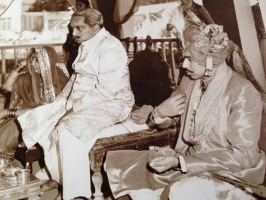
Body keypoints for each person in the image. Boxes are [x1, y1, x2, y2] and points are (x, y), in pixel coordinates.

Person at [105, 16, 266, 200]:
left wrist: (180, 161)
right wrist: (160, 114)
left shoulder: (242, 92)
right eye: (184, 58)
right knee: (124, 163)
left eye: (190, 59)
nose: (184, 65)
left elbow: (243, 155)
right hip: (186, 159)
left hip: (230, 172)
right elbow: (172, 117)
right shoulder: (190, 81)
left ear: (210, 60)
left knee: (182, 190)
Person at [17, 8, 134, 200]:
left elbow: (106, 91)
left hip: (113, 103)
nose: (74, 34)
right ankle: (57, 174)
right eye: (72, 29)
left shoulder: (110, 47)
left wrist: (72, 109)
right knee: (40, 118)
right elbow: (75, 79)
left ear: (96, 26)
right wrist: (59, 103)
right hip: (83, 100)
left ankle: (76, 195)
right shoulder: (86, 43)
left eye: (79, 28)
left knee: (67, 131)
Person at [0, 46, 69, 153]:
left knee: (9, 130)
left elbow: (44, 111)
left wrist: (8, 112)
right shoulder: (30, 78)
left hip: (45, 120)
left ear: (48, 62)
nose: (32, 63)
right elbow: (6, 86)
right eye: (31, 59)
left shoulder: (58, 83)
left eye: (37, 60)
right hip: (26, 116)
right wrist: (21, 64)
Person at [63, 0, 91, 76]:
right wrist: (68, 51)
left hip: (87, 51)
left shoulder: (92, 20)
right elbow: (69, 38)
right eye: (77, 5)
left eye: (80, 5)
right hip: (74, 52)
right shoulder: (74, 18)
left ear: (87, 6)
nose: (78, 7)